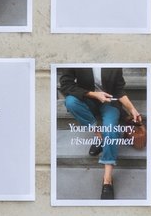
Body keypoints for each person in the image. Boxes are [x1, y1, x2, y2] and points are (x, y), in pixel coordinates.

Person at [56, 65, 140, 200]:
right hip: (87, 99)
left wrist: (132, 109)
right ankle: (99, 136)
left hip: (110, 103)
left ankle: (107, 180)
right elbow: (66, 85)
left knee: (111, 131)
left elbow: (119, 89)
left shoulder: (113, 62)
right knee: (70, 102)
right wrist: (93, 94)